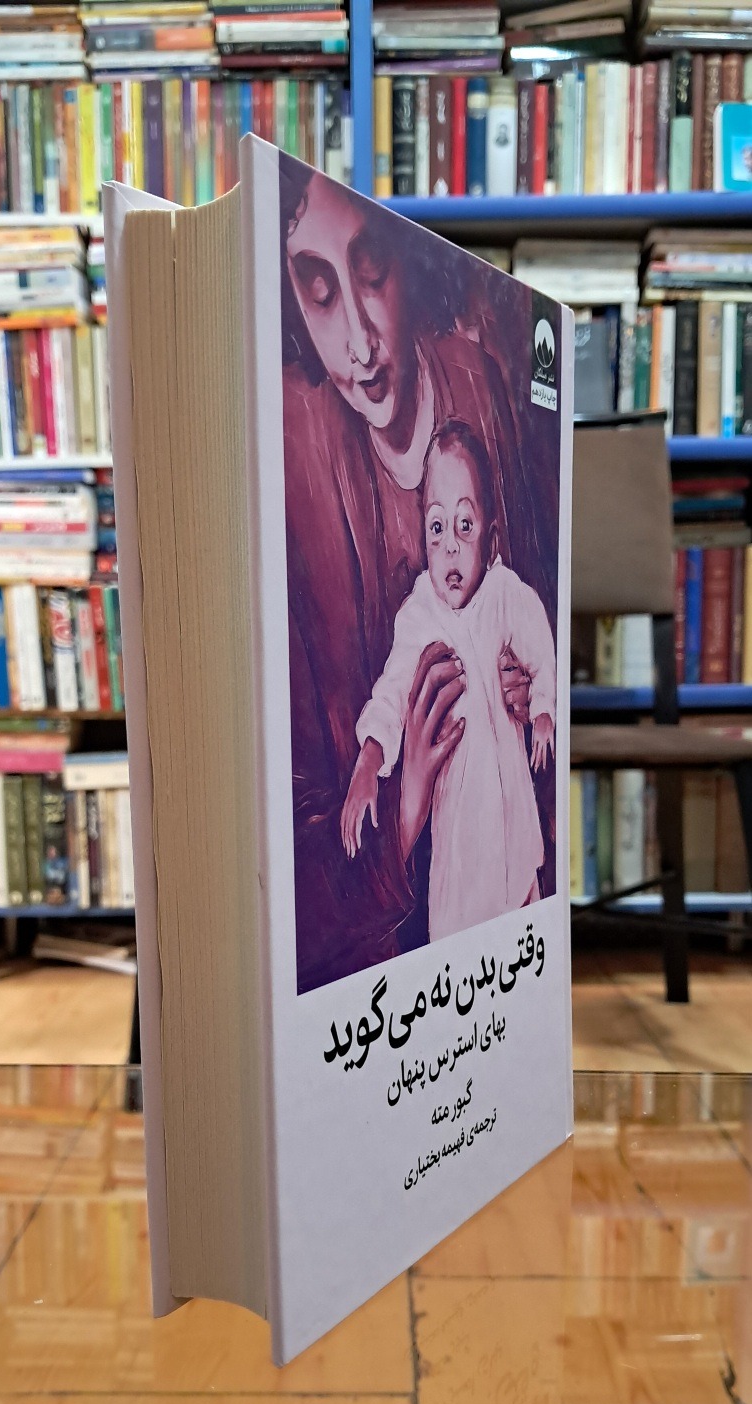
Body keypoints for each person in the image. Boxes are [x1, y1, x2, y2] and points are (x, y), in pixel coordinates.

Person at [280, 159, 550, 992]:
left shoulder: (481, 384)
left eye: (371, 274)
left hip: (517, 830)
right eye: (319, 291)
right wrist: (384, 773)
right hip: (431, 897)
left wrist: (535, 696)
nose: (360, 343)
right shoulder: (299, 469)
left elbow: (537, 628)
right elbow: (390, 693)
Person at [341, 419, 555, 940]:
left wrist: (544, 709)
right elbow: (391, 694)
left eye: (465, 525)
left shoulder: (505, 594)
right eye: (438, 528)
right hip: (462, 836)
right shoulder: (419, 616)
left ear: (491, 537)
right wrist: (369, 761)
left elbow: (541, 649)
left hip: (515, 825)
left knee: (524, 916)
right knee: (461, 929)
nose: (451, 548)